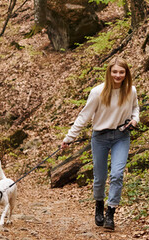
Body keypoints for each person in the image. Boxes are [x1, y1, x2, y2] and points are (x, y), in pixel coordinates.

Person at [61, 58, 139, 231]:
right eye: (115, 72)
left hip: (121, 136)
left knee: (117, 174)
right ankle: (99, 205)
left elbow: (135, 109)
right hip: (100, 137)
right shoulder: (98, 92)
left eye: (121, 72)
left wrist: (135, 120)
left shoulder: (130, 90)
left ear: (126, 73)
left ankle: (110, 212)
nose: (118, 75)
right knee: (100, 177)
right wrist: (69, 138)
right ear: (109, 72)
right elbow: (84, 116)